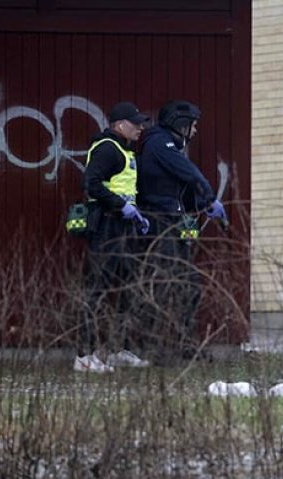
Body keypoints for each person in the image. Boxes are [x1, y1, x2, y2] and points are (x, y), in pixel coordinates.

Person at [136, 99, 226, 362]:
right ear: (180, 123)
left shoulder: (170, 146)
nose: (195, 131)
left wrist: (200, 205)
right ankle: (159, 349)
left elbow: (175, 190)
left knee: (188, 286)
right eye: (193, 125)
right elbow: (189, 173)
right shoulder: (159, 143)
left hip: (172, 221)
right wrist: (209, 197)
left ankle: (186, 344)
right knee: (165, 285)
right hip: (159, 223)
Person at [76, 101, 152, 373]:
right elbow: (91, 184)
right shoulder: (108, 148)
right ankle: (84, 356)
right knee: (96, 291)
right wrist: (122, 207)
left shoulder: (124, 150)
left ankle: (118, 349)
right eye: (135, 123)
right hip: (107, 227)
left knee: (126, 291)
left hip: (123, 228)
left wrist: (135, 214)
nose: (141, 128)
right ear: (120, 125)